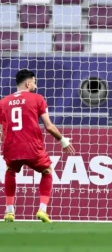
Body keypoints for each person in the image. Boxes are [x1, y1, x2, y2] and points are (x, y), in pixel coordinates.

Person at [0, 69, 75, 223]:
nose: (35, 85)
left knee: (10, 170)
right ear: (28, 83)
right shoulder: (37, 98)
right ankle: (42, 210)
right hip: (32, 146)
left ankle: (9, 211)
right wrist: (63, 140)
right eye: (34, 82)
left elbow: (2, 132)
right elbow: (49, 126)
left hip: (11, 146)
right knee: (47, 171)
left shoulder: (3, 102)